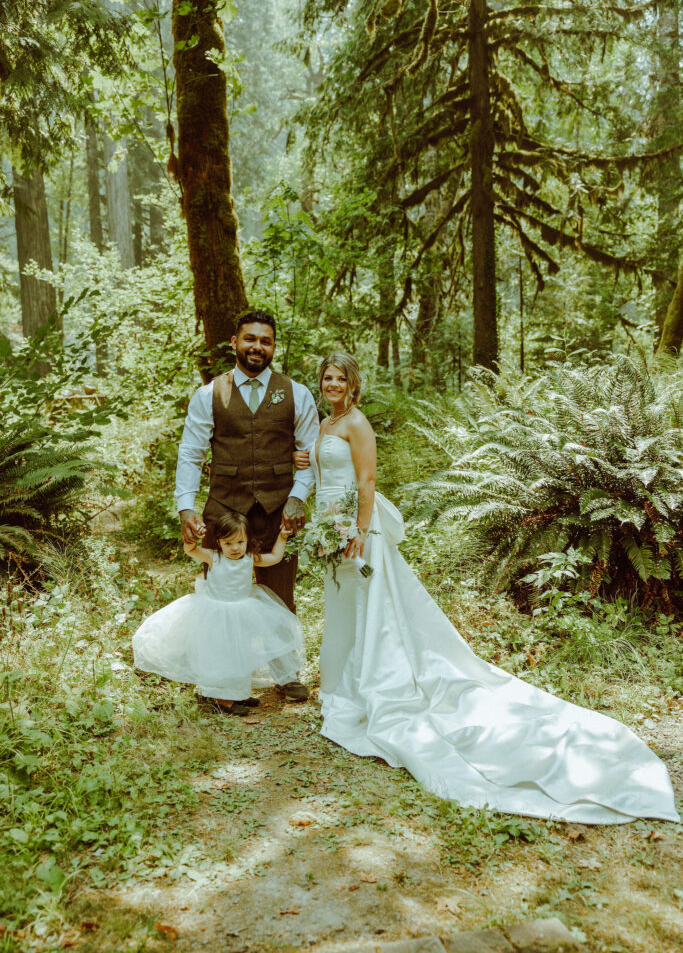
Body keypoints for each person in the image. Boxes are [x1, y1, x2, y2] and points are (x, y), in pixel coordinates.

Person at [293, 353, 679, 824]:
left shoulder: (357, 423)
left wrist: (357, 530)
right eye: (327, 378)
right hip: (328, 530)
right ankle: (340, 690)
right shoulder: (324, 423)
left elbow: (368, 480)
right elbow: (318, 469)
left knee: (372, 614)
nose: (332, 383)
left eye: (340, 378)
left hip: (355, 533)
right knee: (344, 613)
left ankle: (374, 689)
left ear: (353, 383)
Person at [175, 310, 319, 702]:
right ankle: (217, 682)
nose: (258, 346)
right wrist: (186, 507)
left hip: (278, 509)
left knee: (281, 595)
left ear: (274, 347)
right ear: (235, 343)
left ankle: (286, 673)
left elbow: (310, 453)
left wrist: (297, 498)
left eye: (266, 340)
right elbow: (190, 453)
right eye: (251, 339)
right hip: (224, 509)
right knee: (220, 600)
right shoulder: (210, 394)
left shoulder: (297, 393)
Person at [132, 511, 305, 716]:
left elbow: (275, 557)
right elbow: (191, 551)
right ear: (219, 542)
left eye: (240, 542)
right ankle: (222, 700)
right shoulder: (214, 557)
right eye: (228, 543)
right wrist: (191, 539)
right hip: (217, 613)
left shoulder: (250, 558)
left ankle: (236, 692)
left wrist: (282, 537)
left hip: (241, 612)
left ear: (248, 540)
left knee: (240, 653)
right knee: (222, 655)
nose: (235, 548)